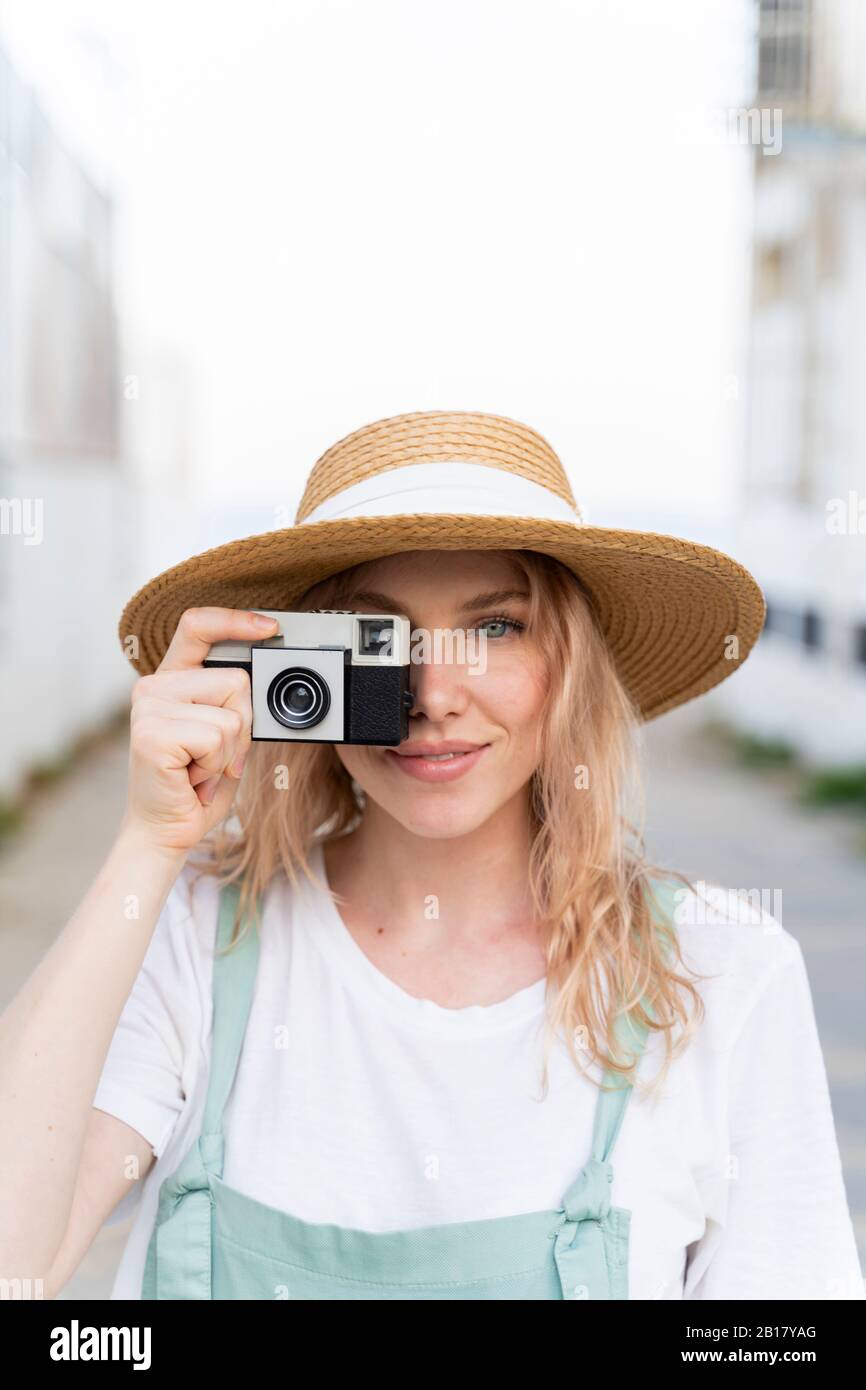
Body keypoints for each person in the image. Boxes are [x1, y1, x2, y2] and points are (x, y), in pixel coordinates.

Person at [1, 410, 862, 1301]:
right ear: (300, 667)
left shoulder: (727, 974)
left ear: (568, 663)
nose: (434, 696)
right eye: (381, 640)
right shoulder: (190, 941)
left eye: (494, 628)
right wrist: (148, 845)